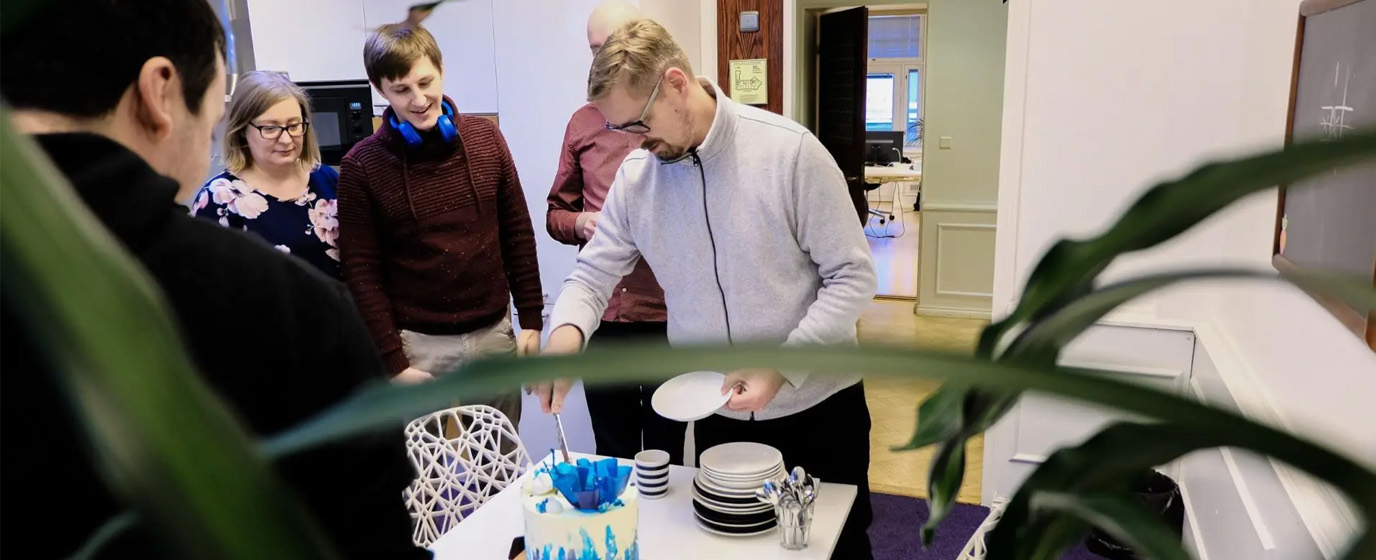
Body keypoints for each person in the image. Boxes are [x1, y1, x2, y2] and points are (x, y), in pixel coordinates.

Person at [0, 2, 428, 558]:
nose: (285, 137)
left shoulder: (333, 188)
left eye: (294, 125)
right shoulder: (288, 306)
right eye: (218, 103)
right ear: (160, 92)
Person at [534, 19, 879, 559]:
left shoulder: (789, 154)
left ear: (675, 83)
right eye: (620, 128)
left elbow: (853, 275)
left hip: (819, 407)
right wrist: (567, 332)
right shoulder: (636, 179)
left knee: (835, 548)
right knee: (733, 549)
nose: (634, 142)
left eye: (638, 122)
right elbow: (592, 276)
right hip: (719, 409)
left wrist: (782, 366)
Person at [337, 23, 544, 403]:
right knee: (421, 465)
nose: (419, 99)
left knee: (500, 461)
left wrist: (531, 320)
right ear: (380, 90)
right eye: (401, 90)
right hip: (418, 348)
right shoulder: (360, 167)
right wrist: (392, 362)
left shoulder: (487, 139)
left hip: (493, 337)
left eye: (425, 82)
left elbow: (517, 233)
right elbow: (362, 272)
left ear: (441, 69)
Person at [546, 2, 686, 465]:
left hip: (668, 318)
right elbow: (555, 212)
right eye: (594, 50)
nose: (603, 59)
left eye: (610, 46)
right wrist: (580, 223)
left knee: (666, 448)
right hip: (604, 317)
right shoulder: (583, 122)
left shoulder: (676, 127)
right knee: (612, 448)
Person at [190, 71, 342, 278]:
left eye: (294, 125)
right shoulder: (218, 199)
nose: (286, 139)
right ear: (242, 130)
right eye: (270, 128)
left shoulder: (326, 178)